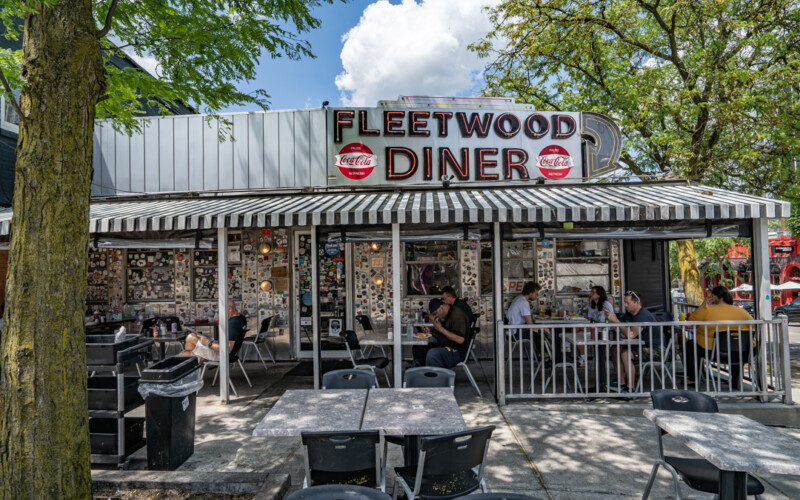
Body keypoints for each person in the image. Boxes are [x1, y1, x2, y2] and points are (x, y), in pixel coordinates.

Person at [684, 285, 753, 389]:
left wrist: (703, 305)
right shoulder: (743, 312)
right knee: (736, 345)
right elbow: (753, 329)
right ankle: (735, 380)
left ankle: (693, 378)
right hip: (743, 352)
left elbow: (691, 321)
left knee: (691, 345)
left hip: (713, 352)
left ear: (715, 297)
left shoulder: (708, 310)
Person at [605, 290, 667, 392]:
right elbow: (621, 327)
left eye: (627, 303)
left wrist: (616, 321)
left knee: (625, 354)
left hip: (656, 349)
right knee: (615, 349)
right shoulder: (629, 314)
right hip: (640, 346)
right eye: (624, 302)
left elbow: (631, 335)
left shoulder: (643, 315)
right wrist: (612, 319)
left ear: (637, 303)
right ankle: (621, 383)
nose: (625, 305)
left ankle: (631, 388)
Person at [181, 299, 247, 362]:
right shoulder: (241, 317)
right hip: (227, 351)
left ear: (229, 309)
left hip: (221, 355)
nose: (220, 314)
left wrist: (209, 343)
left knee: (190, 340)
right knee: (192, 338)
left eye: (221, 310)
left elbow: (227, 350)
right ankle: (193, 359)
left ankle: (191, 361)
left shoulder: (233, 324)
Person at [411, 298, 470, 368]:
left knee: (433, 353)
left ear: (441, 307)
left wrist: (441, 329)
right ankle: (421, 371)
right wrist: (431, 332)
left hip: (456, 351)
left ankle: (433, 376)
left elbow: (460, 340)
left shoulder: (457, 315)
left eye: (435, 313)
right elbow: (444, 336)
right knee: (418, 347)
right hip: (446, 345)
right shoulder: (446, 315)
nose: (436, 316)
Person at [576, 285, 615, 363]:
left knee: (578, 332)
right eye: (591, 292)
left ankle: (582, 357)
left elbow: (612, 319)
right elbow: (589, 320)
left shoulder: (606, 304)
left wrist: (595, 325)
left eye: (593, 292)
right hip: (595, 327)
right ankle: (582, 356)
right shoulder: (592, 305)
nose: (591, 293)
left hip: (604, 329)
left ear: (599, 295)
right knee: (577, 331)